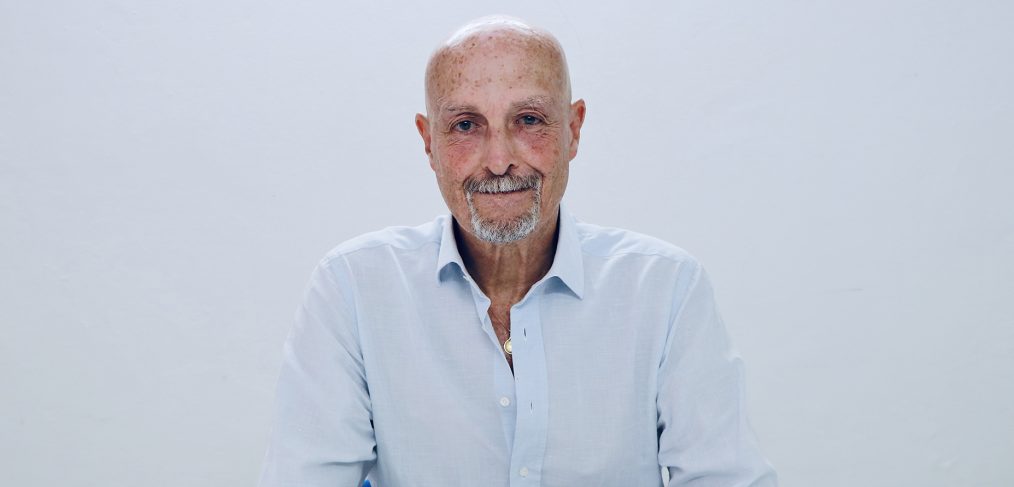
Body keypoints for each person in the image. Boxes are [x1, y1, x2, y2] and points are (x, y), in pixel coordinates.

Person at [259, 15, 777, 487]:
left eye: (529, 120)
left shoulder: (666, 289)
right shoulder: (353, 289)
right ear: (429, 142)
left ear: (573, 130)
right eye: (466, 125)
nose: (499, 160)